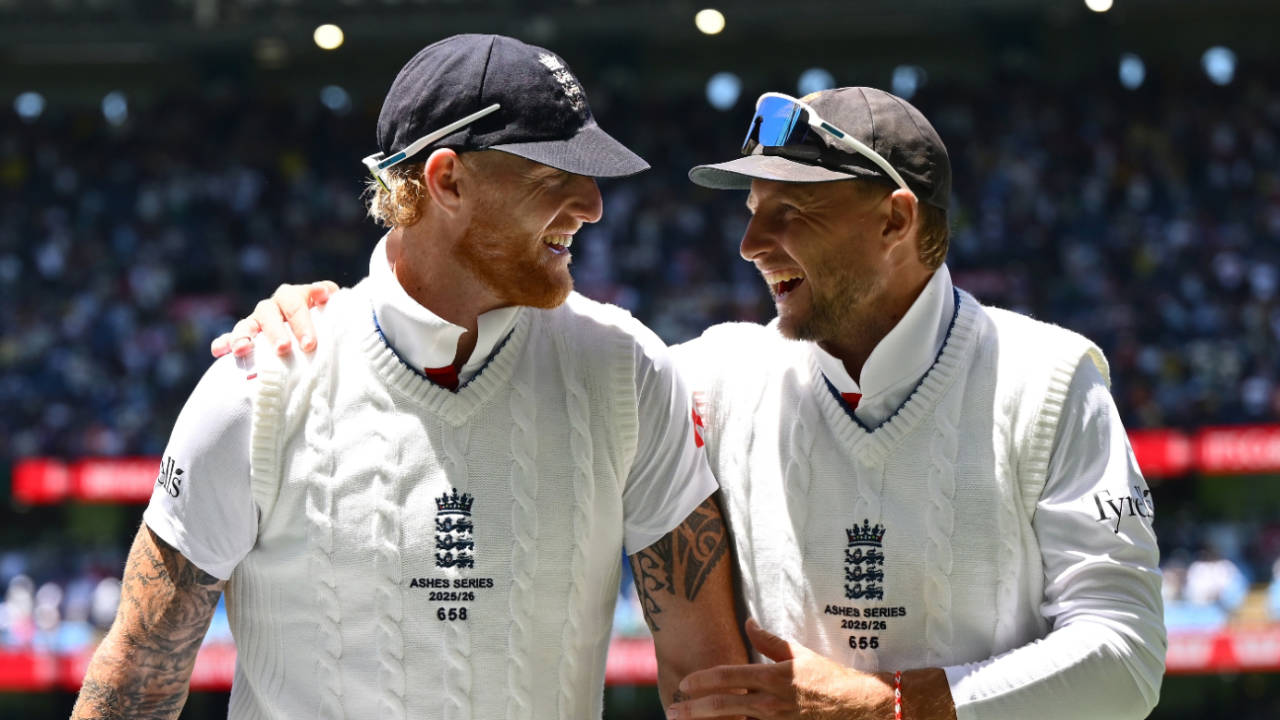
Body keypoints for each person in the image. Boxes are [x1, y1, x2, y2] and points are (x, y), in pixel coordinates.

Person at [219, 87, 1166, 720]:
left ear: (895, 218)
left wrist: (896, 707)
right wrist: (342, 310)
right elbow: (500, 345)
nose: (752, 242)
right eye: (749, 208)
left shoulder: (1051, 378)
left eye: (791, 210)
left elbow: (1125, 656)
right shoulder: (706, 376)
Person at [72, 34, 746, 720]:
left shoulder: (628, 369)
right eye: (555, 177)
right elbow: (136, 682)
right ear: (447, 180)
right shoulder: (259, 386)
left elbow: (710, 681)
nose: (594, 205)